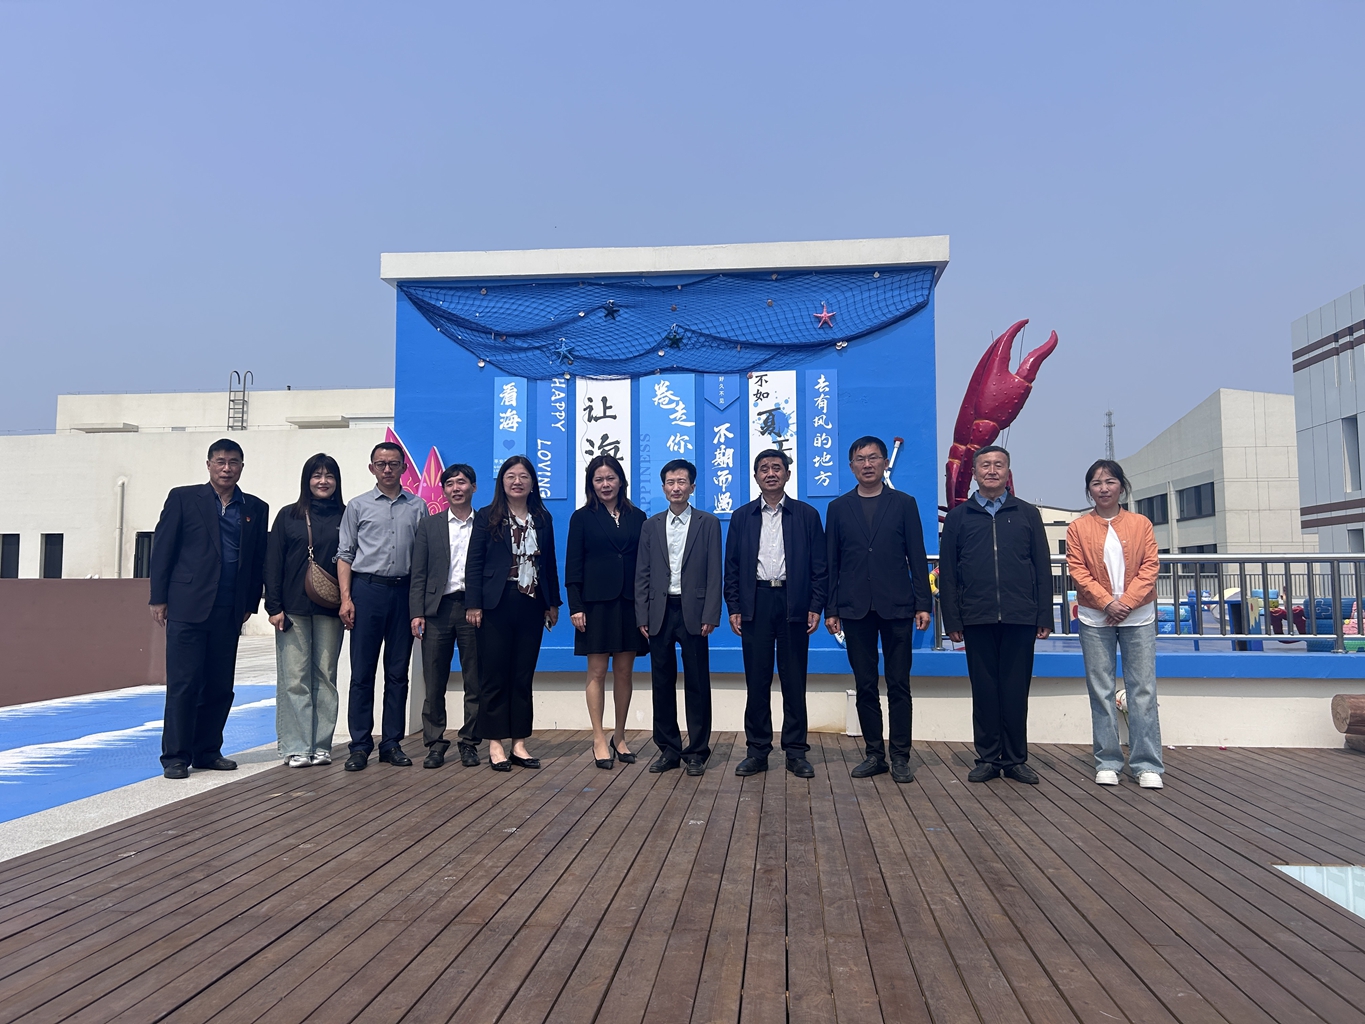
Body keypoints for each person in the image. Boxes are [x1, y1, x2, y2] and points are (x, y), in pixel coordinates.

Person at [149, 439, 268, 779]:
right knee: (184, 684)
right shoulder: (183, 498)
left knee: (219, 686)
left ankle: (207, 751)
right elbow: (163, 549)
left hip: (229, 608)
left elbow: (256, 558)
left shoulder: (255, 507)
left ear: (242, 466)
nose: (226, 468)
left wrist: (249, 603)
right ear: (209, 465)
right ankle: (175, 756)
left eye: (233, 462)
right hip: (187, 605)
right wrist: (158, 597)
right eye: (220, 461)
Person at [939, 446, 1054, 785]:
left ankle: (1016, 759)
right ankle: (988, 758)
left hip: (1020, 616)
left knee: (1016, 691)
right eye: (985, 465)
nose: (992, 470)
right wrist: (952, 620)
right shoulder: (959, 517)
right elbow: (949, 574)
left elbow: (1041, 568)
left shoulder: (1026, 514)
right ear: (974, 473)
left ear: (1008, 472)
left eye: (998, 465)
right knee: (985, 690)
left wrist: (1044, 615)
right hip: (977, 617)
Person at [824, 435, 932, 784]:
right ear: (851, 466)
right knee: (865, 684)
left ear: (885, 463)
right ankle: (874, 754)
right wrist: (831, 609)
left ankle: (900, 755)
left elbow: (917, 556)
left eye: (873, 458)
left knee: (899, 684)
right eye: (860, 459)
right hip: (855, 609)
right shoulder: (838, 508)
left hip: (897, 606)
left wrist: (923, 603)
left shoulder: (904, 503)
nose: (867, 464)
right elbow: (831, 562)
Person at [724, 449, 827, 779]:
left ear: (787, 475)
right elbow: (732, 567)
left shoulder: (806, 515)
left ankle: (796, 752)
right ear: (756, 476)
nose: (771, 473)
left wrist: (815, 605)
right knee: (757, 680)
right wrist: (735, 607)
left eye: (777, 468)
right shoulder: (742, 516)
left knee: (794, 680)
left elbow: (820, 566)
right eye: (764, 469)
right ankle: (757, 751)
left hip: (793, 601)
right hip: (755, 602)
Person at [1066, 459, 1164, 789]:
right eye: (1096, 483)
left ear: (1121, 486)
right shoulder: (1078, 528)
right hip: (1095, 617)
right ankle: (1107, 760)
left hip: (1138, 616)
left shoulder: (1141, 524)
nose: (1103, 488)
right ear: (1089, 490)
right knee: (1101, 689)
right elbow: (1077, 570)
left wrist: (1127, 603)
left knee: (1143, 689)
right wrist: (1107, 602)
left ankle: (1147, 764)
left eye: (1110, 481)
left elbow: (1150, 566)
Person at [465, 455, 562, 771]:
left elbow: (549, 563)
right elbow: (474, 562)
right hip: (496, 602)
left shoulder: (542, 518)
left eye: (523, 476)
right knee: (494, 674)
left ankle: (519, 743)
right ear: (502, 482)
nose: (517, 481)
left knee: (522, 674)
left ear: (533, 483)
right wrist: (474, 603)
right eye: (511, 476)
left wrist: (552, 603)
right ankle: (495, 743)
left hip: (531, 602)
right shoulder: (487, 516)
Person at [336, 441, 429, 771]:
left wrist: (419, 605)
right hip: (367, 591)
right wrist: (346, 598)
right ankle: (360, 745)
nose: (387, 469)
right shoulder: (357, 506)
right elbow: (345, 554)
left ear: (404, 468)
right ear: (371, 468)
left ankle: (391, 743)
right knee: (362, 673)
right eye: (381, 463)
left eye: (393, 463)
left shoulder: (418, 506)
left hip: (404, 593)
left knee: (397, 673)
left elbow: (424, 558)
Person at [635, 458, 723, 776]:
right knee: (662, 682)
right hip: (659, 612)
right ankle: (669, 749)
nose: (676, 488)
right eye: (670, 482)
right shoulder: (651, 525)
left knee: (697, 682)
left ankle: (697, 750)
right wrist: (642, 614)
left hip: (694, 613)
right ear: (663, 488)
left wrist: (711, 613)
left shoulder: (707, 523)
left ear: (692, 487)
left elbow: (714, 572)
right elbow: (642, 573)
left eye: (682, 482)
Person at [565, 454, 649, 770]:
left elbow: (645, 563)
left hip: (629, 603)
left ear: (621, 481)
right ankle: (599, 738)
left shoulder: (638, 517)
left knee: (625, 672)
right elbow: (573, 565)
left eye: (610, 478)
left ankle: (620, 736)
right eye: (598, 479)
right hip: (595, 605)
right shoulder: (582, 517)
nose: (605, 484)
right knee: (597, 672)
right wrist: (576, 606)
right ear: (591, 483)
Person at [263, 453, 345, 768]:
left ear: (337, 481)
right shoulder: (289, 515)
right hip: (292, 609)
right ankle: (296, 746)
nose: (323, 481)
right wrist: (274, 606)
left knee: (326, 676)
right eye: (316, 475)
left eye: (329, 475)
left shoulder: (346, 515)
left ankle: (321, 745)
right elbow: (273, 562)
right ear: (306, 480)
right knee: (294, 678)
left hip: (331, 609)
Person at [409, 463, 481, 769]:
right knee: (434, 680)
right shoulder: (430, 525)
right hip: (437, 610)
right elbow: (419, 572)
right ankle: (435, 743)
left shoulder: (485, 524)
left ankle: (470, 742)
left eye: (461, 482)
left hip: (473, 610)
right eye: (449, 484)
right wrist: (417, 612)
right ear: (444, 490)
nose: (455, 488)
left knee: (474, 680)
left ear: (473, 487)